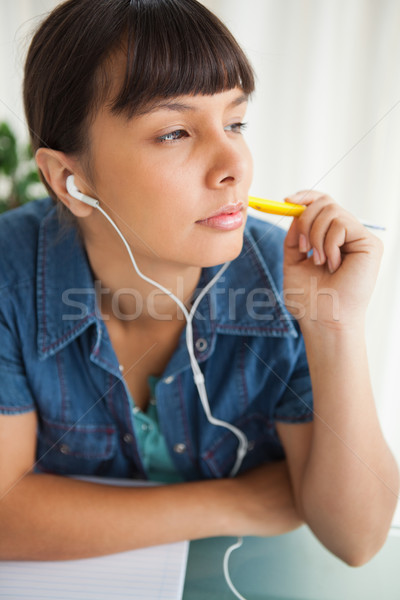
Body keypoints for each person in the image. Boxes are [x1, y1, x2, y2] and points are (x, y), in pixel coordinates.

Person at [0, 0, 398, 568]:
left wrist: (334, 326)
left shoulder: (290, 274)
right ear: (70, 179)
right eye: (175, 132)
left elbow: (357, 540)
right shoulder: (8, 273)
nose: (232, 163)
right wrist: (238, 502)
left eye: (235, 122)